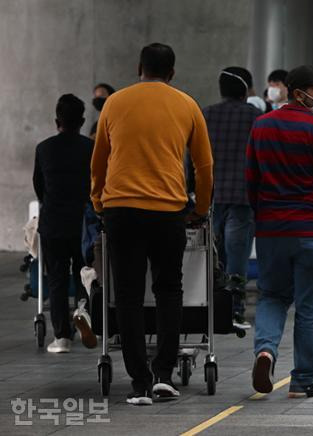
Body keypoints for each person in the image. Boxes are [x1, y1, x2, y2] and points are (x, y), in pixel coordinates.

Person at [91, 43, 214, 405]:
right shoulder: (187, 104)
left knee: (127, 296)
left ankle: (139, 381)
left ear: (138, 67)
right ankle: (164, 374)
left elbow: (99, 161)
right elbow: (205, 166)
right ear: (172, 72)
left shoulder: (114, 103)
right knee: (168, 289)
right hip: (167, 211)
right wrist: (201, 208)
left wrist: (99, 201)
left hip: (121, 210)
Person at [247, 65, 313, 398]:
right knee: (310, 307)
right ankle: (302, 380)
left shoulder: (261, 126)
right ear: (298, 93)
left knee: (272, 296)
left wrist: (264, 217)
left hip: (271, 232)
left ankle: (265, 350)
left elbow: (251, 182)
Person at [33, 94, 97, 353]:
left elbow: (39, 186)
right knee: (86, 275)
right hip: (83, 222)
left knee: (58, 278)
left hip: (53, 222)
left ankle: (62, 338)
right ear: (82, 121)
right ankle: (84, 313)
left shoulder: (44, 148)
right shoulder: (90, 148)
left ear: (56, 120)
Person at [202, 67, 261, 328]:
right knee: (237, 254)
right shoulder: (256, 117)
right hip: (244, 195)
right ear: (245, 89)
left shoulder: (207, 115)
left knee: (214, 254)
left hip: (212, 195)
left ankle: (213, 306)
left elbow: (195, 156)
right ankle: (235, 310)